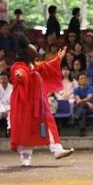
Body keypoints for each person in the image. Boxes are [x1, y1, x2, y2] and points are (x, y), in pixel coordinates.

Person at [9, 35, 73, 166]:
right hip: (24, 102)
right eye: (33, 50)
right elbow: (21, 72)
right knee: (25, 127)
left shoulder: (33, 65)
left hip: (38, 102)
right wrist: (20, 75)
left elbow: (46, 66)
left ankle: (57, 149)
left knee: (48, 122)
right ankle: (25, 157)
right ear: (26, 53)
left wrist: (58, 58)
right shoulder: (19, 66)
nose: (36, 52)